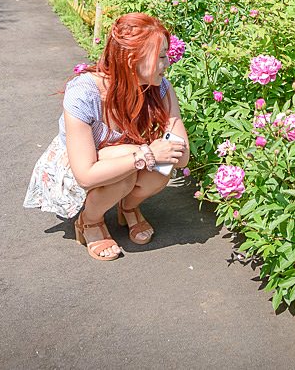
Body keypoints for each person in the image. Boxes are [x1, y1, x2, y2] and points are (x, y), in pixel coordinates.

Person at [23, 13, 190, 261]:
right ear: (132, 59)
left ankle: (128, 207)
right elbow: (85, 174)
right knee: (131, 168)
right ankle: (89, 221)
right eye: (161, 57)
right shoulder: (84, 93)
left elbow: (182, 156)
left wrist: (153, 154)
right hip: (77, 164)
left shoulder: (159, 88)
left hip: (124, 155)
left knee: (161, 171)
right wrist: (146, 154)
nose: (168, 64)